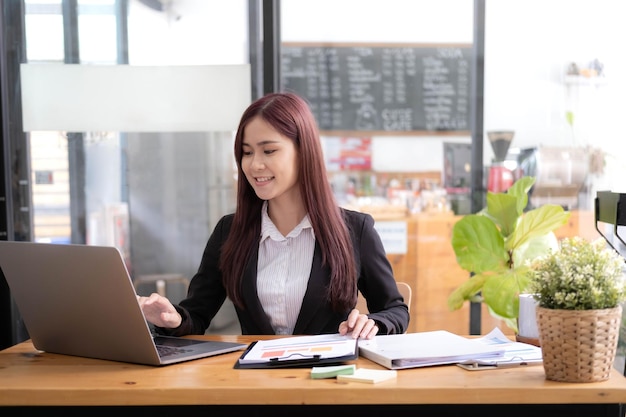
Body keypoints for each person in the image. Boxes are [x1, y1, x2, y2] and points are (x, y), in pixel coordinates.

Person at [138, 92, 409, 339]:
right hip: (256, 383)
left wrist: (373, 323)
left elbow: (395, 311)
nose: (255, 164)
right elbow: (196, 315)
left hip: (327, 381)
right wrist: (171, 319)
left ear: (304, 152)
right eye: (246, 152)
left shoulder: (354, 230)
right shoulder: (229, 231)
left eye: (269, 151)